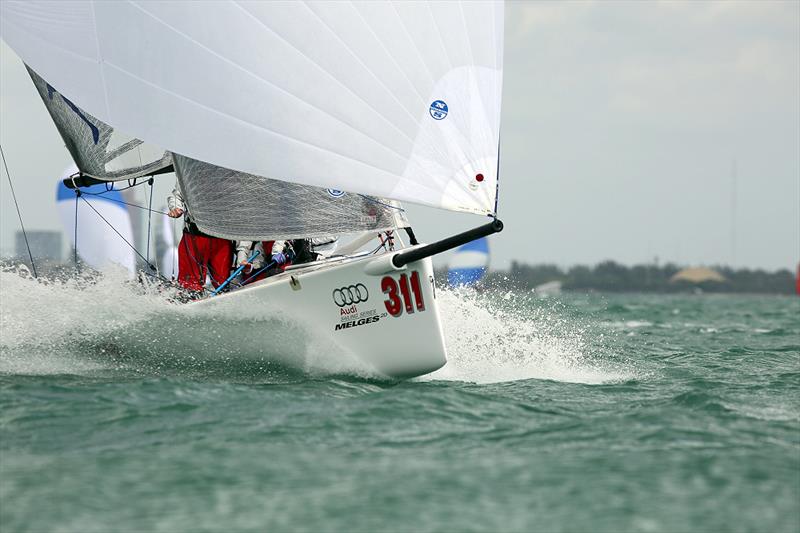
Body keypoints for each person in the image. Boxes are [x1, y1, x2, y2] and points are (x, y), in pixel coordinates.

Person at [167, 182, 233, 292]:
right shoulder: (192, 167)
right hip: (195, 235)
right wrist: (176, 207)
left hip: (222, 236)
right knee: (189, 286)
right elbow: (176, 195)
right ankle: (188, 298)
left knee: (223, 285)